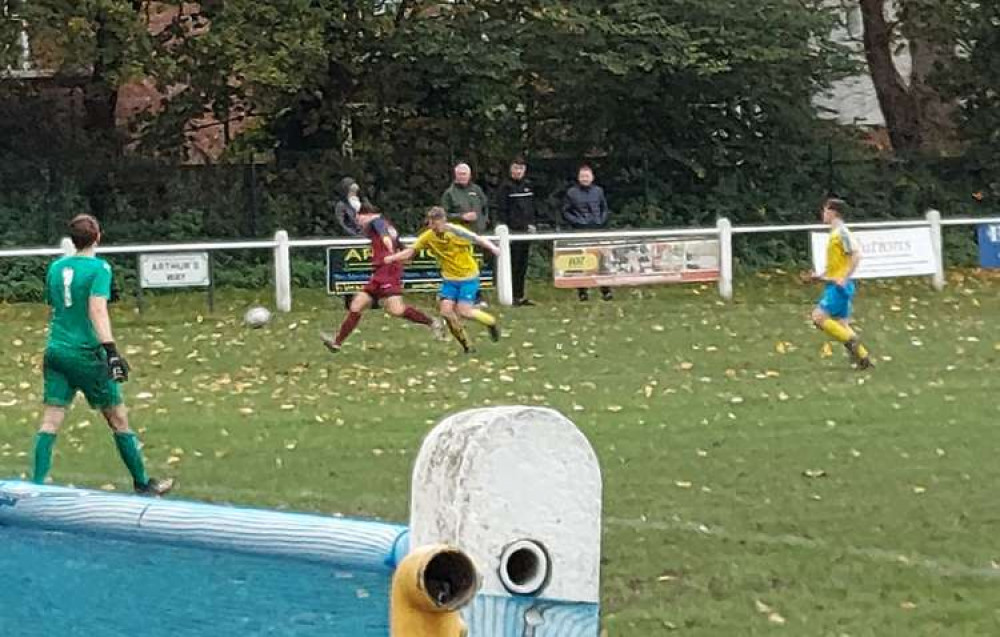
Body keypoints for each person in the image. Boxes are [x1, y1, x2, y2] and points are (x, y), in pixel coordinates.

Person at [32, 214, 173, 495]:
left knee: (51, 419)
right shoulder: (100, 269)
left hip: (56, 350)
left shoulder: (56, 268)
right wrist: (110, 350)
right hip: (86, 353)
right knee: (118, 418)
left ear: (72, 240)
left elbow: (56, 306)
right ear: (98, 236)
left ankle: (36, 485)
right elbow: (96, 308)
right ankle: (143, 483)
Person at [321, 204, 445, 352]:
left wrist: (390, 251)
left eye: (358, 218)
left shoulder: (377, 222)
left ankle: (432, 322)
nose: (358, 222)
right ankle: (337, 343)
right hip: (380, 271)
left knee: (396, 310)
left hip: (389, 270)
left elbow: (385, 237)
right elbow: (400, 245)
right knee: (356, 305)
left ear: (367, 215)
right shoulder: (388, 225)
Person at [384, 207, 501, 354]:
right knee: (446, 312)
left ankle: (491, 322)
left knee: (464, 311)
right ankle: (467, 346)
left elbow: (477, 239)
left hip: (468, 277)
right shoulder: (428, 236)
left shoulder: (456, 231)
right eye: (431, 223)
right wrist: (393, 258)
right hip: (449, 279)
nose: (433, 226)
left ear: (444, 220)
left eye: (436, 223)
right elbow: (411, 251)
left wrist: (493, 248)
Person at [811, 198, 874, 370]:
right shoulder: (835, 234)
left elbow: (856, 255)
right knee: (842, 324)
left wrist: (844, 277)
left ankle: (850, 341)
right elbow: (837, 263)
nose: (822, 214)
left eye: (824, 210)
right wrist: (820, 276)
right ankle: (864, 359)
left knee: (818, 317)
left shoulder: (842, 233)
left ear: (832, 212)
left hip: (839, 287)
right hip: (835, 284)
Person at [442, 163, 490, 307]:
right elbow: (444, 215)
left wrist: (484, 221)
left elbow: (485, 206)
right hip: (459, 238)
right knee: (464, 268)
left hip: (477, 235)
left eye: (465, 173)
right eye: (460, 173)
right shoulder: (449, 193)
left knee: (477, 266)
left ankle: (477, 295)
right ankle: (465, 297)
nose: (463, 176)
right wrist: (462, 217)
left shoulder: (476, 190)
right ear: (455, 175)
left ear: (470, 175)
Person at [562, 165, 613, 301]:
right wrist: (578, 222)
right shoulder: (571, 192)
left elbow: (604, 208)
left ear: (592, 177)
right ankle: (583, 291)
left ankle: (606, 290)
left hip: (598, 230)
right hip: (580, 231)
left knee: (602, 261)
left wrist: (601, 220)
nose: (585, 179)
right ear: (578, 178)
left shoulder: (598, 191)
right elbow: (566, 212)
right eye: (582, 176)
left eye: (587, 176)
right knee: (582, 262)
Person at [496, 157, 539, 306]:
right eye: (515, 168)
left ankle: (520, 295)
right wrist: (507, 230)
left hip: (526, 232)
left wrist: (532, 224)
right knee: (512, 264)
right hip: (512, 233)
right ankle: (510, 296)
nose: (518, 171)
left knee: (522, 264)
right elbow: (502, 211)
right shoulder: (505, 187)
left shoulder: (528, 186)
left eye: (521, 168)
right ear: (511, 169)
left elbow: (532, 208)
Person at [333, 176, 376, 310]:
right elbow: (341, 223)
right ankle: (349, 301)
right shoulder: (341, 205)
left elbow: (372, 214)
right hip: (351, 241)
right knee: (349, 271)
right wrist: (354, 235)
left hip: (367, 238)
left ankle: (372, 299)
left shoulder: (361, 202)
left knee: (371, 269)